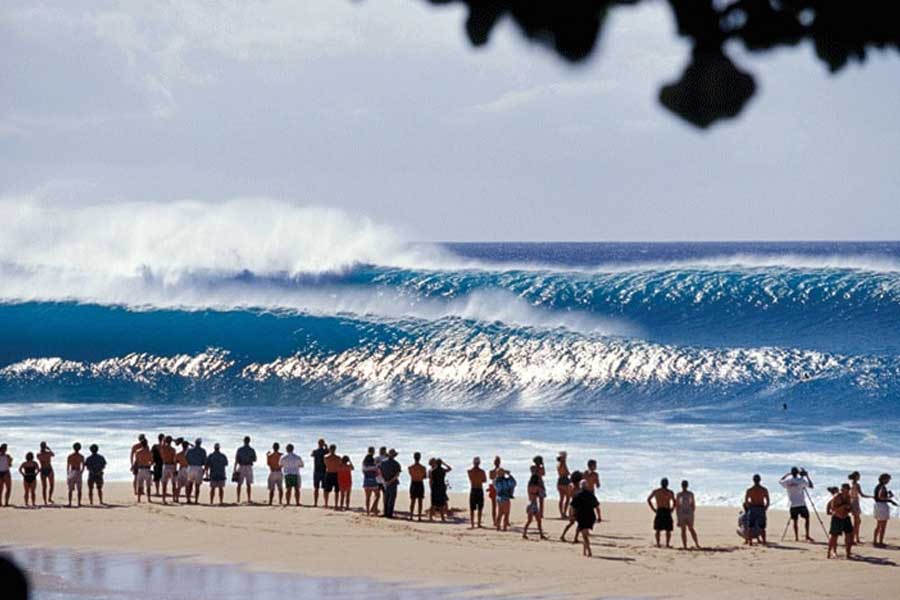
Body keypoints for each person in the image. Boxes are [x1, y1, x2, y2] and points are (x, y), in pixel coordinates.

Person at [779, 467, 815, 542]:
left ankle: (796, 537)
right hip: (801, 503)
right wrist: (807, 476)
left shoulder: (788, 481)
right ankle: (807, 535)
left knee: (795, 521)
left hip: (793, 504)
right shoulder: (801, 480)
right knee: (807, 519)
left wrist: (787, 474)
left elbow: (780, 481)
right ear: (797, 473)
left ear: (792, 473)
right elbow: (811, 486)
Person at [570, 480, 601, 557]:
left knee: (584, 535)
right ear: (586, 486)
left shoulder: (577, 495)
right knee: (585, 533)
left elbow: (573, 507)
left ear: (580, 486)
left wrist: (572, 515)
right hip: (590, 516)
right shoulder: (591, 495)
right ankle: (584, 551)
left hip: (582, 517)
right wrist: (599, 516)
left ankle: (589, 552)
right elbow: (597, 507)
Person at [827, 483, 854, 559]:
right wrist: (843, 506)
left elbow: (849, 508)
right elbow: (833, 509)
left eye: (848, 489)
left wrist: (849, 508)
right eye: (845, 489)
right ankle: (830, 552)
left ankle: (848, 553)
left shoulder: (848, 497)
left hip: (845, 517)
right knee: (834, 536)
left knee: (849, 535)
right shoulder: (836, 497)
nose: (847, 491)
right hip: (837, 518)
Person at [647, 478, 676, 548]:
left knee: (660, 529)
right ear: (667, 484)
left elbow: (649, 499)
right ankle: (666, 544)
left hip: (661, 510)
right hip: (665, 510)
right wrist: (672, 509)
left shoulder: (657, 491)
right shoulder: (669, 492)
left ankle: (659, 543)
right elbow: (675, 502)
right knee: (664, 529)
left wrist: (653, 509)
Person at [743, 474, 770, 546]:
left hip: (753, 508)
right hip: (761, 508)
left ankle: (750, 542)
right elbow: (768, 501)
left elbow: (746, 501)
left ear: (753, 480)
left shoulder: (749, 490)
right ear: (760, 480)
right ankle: (764, 541)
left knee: (750, 526)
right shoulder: (764, 490)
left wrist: (749, 508)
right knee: (762, 527)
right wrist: (765, 508)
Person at [560, 470, 585, 542]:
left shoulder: (571, 486)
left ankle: (563, 535)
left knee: (572, 522)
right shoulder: (577, 487)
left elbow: (570, 495)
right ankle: (575, 538)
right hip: (577, 506)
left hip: (573, 506)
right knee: (579, 522)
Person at [873, 473, 897, 548]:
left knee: (878, 525)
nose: (888, 481)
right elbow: (880, 497)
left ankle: (875, 541)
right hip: (882, 506)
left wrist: (888, 497)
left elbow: (878, 496)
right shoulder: (882, 487)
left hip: (878, 505)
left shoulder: (878, 486)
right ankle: (880, 542)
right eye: (888, 479)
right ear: (884, 479)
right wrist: (889, 500)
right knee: (883, 525)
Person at [522, 470, 547, 540]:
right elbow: (543, 494)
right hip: (534, 504)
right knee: (538, 521)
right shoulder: (537, 487)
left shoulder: (529, 486)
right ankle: (541, 534)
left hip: (529, 503)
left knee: (529, 520)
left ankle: (524, 533)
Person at [676, 480, 701, 549]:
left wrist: (678, 514)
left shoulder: (680, 494)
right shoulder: (689, 494)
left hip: (683, 512)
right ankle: (695, 544)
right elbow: (693, 505)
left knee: (685, 529)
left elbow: (677, 505)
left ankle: (686, 545)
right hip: (688, 512)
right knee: (690, 529)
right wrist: (692, 512)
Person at [234, 436, 257, 504]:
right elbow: (255, 459)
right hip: (248, 467)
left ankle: (238, 498)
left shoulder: (240, 449)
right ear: (249, 441)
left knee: (239, 484)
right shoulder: (251, 450)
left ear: (244, 441)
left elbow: (236, 460)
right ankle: (249, 499)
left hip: (241, 466)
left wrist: (234, 469)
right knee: (248, 484)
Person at [848, 471, 869, 544]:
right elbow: (862, 495)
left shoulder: (850, 484)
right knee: (857, 522)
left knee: (857, 521)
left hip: (852, 502)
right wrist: (871, 497)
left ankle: (856, 538)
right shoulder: (857, 485)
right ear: (856, 477)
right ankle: (853, 538)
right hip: (855, 503)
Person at [379, 449, 402, 518]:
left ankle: (385, 512)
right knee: (391, 499)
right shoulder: (396, 463)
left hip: (385, 482)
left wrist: (384, 480)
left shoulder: (383, 463)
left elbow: (380, 472)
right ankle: (389, 513)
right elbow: (397, 474)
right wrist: (391, 481)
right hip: (393, 483)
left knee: (386, 498)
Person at [185, 438, 207, 504]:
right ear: (200, 443)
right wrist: (205, 470)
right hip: (198, 467)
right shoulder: (203, 451)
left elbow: (186, 457)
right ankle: (196, 500)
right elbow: (205, 461)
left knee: (190, 484)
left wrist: (189, 463)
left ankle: (188, 499)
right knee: (197, 486)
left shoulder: (190, 450)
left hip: (191, 467)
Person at [467, 457, 487, 528]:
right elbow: (484, 480)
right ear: (479, 463)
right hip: (479, 489)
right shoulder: (482, 472)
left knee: (472, 508)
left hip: (473, 489)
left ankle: (472, 524)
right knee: (480, 508)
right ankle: (478, 523)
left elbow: (471, 479)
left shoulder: (469, 471)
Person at [408, 451, 427, 521]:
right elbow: (424, 476)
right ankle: (419, 516)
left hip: (413, 483)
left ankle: (411, 516)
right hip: (420, 483)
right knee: (420, 501)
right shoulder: (423, 468)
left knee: (412, 501)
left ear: (414, 458)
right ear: (420, 458)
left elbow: (411, 474)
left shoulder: (410, 467)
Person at [133, 438, 153, 503]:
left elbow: (137, 461)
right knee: (148, 485)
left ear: (141, 444)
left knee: (140, 485)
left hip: (140, 469)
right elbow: (151, 461)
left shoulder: (138, 452)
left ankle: (139, 499)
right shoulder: (149, 452)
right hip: (147, 468)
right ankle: (149, 499)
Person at [323, 444, 342, 509]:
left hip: (329, 473)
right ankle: (335, 505)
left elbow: (326, 464)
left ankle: (326, 504)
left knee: (328, 490)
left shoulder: (326, 457)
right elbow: (340, 465)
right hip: (335, 473)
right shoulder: (338, 458)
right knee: (335, 490)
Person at [66, 442, 86, 507]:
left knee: (70, 489)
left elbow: (68, 466)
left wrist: (68, 473)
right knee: (79, 489)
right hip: (78, 471)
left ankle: (70, 503)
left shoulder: (70, 456)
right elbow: (83, 466)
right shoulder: (81, 456)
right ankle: (79, 503)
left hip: (72, 471)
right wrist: (81, 472)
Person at [362, 448, 380, 515]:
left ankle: (367, 512)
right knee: (377, 495)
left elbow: (363, 471)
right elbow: (377, 473)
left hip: (366, 480)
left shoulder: (364, 464)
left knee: (367, 497)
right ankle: (373, 508)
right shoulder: (374, 464)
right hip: (373, 480)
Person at [310, 439, 328, 507]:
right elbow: (329, 453)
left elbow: (311, 455)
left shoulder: (315, 451)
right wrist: (326, 447)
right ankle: (325, 503)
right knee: (324, 488)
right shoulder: (325, 451)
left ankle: (315, 503)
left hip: (316, 471)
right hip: (323, 471)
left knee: (316, 488)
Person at [159, 436, 177, 504]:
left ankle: (163, 499)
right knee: (173, 483)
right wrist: (175, 469)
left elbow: (162, 444)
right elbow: (174, 460)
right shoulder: (173, 449)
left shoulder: (163, 448)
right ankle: (174, 498)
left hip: (165, 465)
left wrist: (167, 439)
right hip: (171, 465)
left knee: (164, 483)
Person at [174, 439, 190, 504]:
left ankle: (177, 498)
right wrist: (191, 445)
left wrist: (175, 470)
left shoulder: (179, 454)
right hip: (187, 469)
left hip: (181, 469)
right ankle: (188, 499)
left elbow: (175, 462)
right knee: (187, 486)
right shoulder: (190, 454)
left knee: (179, 485)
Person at [373, 446, 388, 514]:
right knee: (385, 495)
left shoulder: (376, 458)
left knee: (377, 495)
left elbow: (373, 467)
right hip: (383, 480)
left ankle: (375, 507)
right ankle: (384, 509)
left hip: (376, 479)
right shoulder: (386, 459)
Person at [557, 451, 572, 519]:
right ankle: (564, 513)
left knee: (561, 498)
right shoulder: (563, 464)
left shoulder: (558, 464)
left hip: (560, 480)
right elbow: (567, 472)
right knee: (568, 498)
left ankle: (562, 513)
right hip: (565, 481)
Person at [488, 456, 502, 527]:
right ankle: (496, 521)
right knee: (499, 506)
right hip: (497, 489)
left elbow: (491, 478)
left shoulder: (492, 471)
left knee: (495, 506)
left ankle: (495, 521)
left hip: (495, 488)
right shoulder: (500, 471)